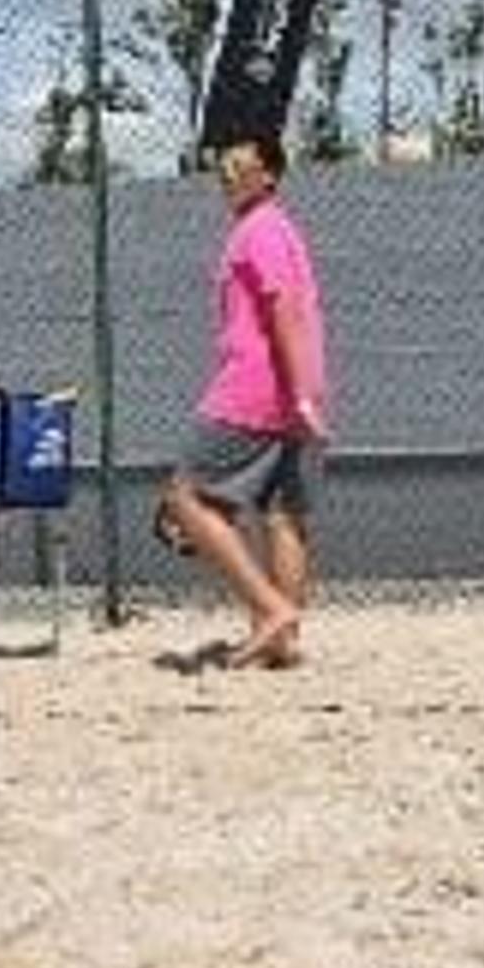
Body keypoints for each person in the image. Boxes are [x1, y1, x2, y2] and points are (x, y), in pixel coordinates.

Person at [159, 133, 329, 669]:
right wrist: (307, 392)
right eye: (225, 166)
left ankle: (271, 611)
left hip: (259, 385)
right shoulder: (281, 230)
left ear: (270, 175)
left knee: (185, 496)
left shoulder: (259, 231)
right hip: (298, 386)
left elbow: (281, 312)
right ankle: (280, 643)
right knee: (284, 515)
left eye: (242, 166)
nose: (229, 174)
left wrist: (297, 392)